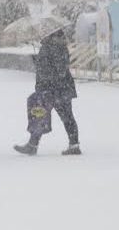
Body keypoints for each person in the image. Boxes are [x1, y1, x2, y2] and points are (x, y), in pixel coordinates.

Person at [14, 28, 82, 156]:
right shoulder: (51, 45)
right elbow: (50, 66)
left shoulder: (55, 46)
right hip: (55, 89)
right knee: (40, 115)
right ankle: (33, 145)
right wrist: (38, 61)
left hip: (56, 90)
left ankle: (73, 145)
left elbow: (60, 70)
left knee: (62, 116)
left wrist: (45, 72)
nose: (41, 33)